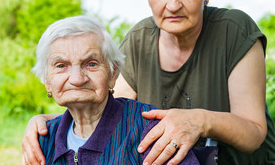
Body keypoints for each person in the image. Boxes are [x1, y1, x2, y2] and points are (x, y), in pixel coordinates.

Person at [22, 0, 275, 164]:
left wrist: (199, 121)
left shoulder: (233, 29)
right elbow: (106, 109)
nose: (172, 4)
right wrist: (48, 122)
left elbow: (253, 133)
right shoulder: (140, 39)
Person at [25, 15, 217, 164]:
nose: (77, 79)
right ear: (46, 80)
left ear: (113, 73)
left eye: (91, 64)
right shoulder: (42, 139)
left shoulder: (149, 131)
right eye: (61, 66)